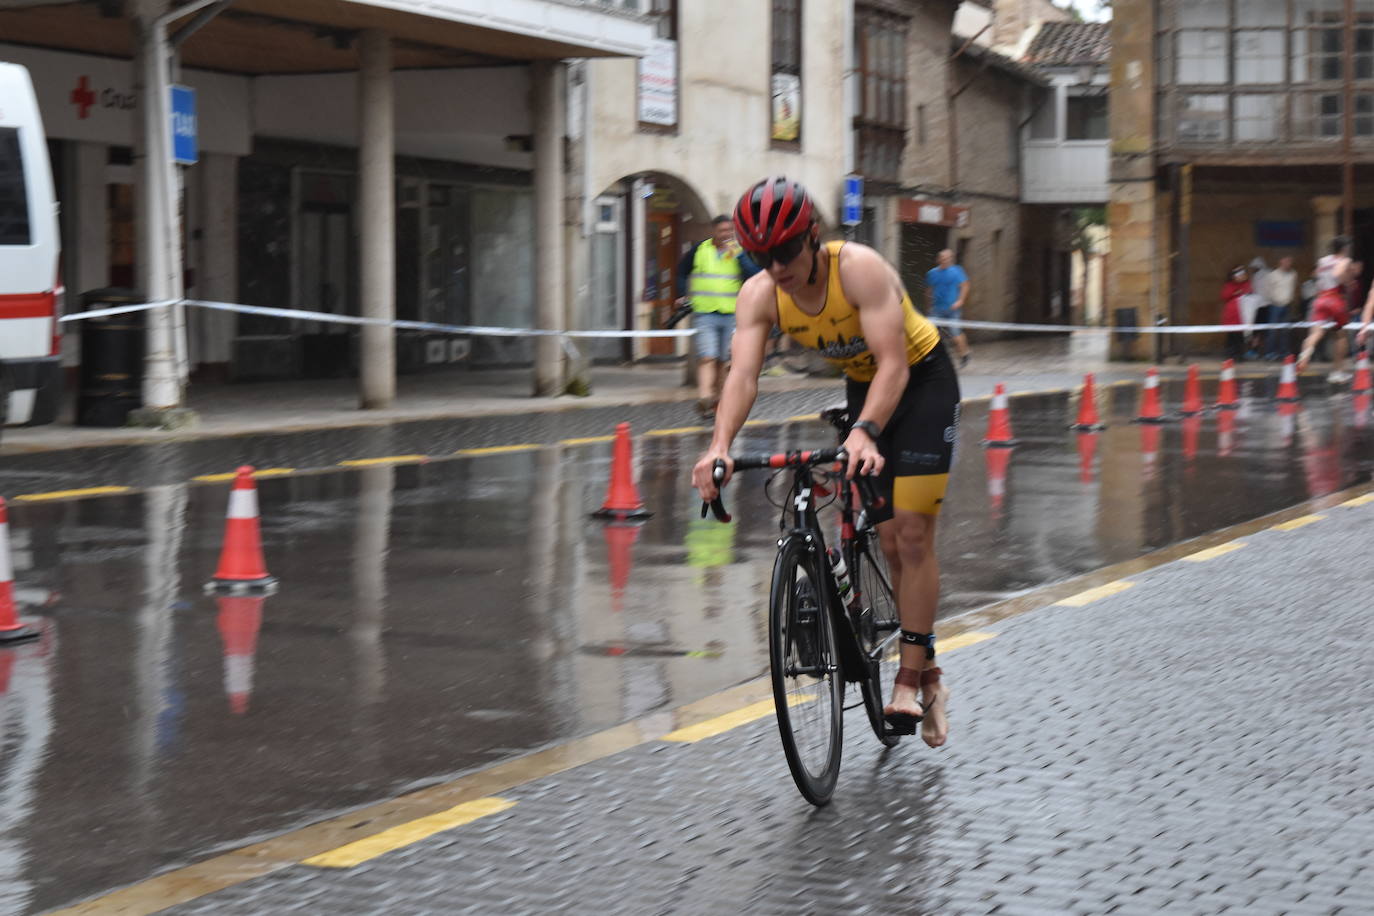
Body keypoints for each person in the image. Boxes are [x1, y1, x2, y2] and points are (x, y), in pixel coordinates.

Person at [691, 176, 960, 749]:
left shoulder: (857, 269)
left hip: (920, 380)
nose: (776, 265)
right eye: (762, 255)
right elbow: (742, 375)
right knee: (885, 542)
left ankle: (911, 681)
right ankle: (931, 670)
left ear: (812, 236)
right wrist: (718, 446)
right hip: (867, 386)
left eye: (785, 251)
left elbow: (895, 363)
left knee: (911, 536)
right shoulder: (761, 293)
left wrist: (865, 431)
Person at [675, 215, 760, 418]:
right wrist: (680, 294)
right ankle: (704, 397)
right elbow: (681, 271)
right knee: (707, 357)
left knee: (723, 360)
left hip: (731, 314)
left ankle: (718, 399)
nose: (726, 235)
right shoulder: (700, 250)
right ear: (713, 231)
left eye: (730, 231)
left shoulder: (740, 252)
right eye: (722, 230)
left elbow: (755, 275)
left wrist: (739, 256)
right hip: (705, 312)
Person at [1297, 236, 1355, 383]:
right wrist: (1348, 281)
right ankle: (1337, 372)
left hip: (1320, 299)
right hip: (1335, 299)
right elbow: (1338, 274)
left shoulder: (1323, 260)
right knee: (1340, 336)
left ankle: (1304, 356)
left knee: (1316, 333)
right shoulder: (1344, 260)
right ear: (1345, 248)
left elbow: (1315, 274)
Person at [925, 249, 971, 368]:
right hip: (936, 309)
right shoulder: (932, 273)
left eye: (948, 258)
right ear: (938, 259)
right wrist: (929, 306)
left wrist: (960, 301)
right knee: (930, 334)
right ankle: (932, 357)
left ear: (951, 259)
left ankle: (964, 354)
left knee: (955, 333)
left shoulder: (957, 271)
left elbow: (965, 286)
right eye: (943, 258)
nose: (945, 260)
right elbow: (929, 290)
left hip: (952, 309)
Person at [1261, 256, 1298, 360]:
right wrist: (1273, 299)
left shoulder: (1293, 274)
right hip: (1275, 305)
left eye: (1290, 261)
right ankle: (1270, 353)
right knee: (1272, 330)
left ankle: (1283, 352)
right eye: (1286, 261)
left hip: (1287, 305)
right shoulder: (1273, 275)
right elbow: (1267, 290)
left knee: (1285, 330)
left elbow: (1293, 287)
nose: (1288, 264)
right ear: (1280, 262)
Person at [1219, 265, 1252, 361]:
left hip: (1243, 315)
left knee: (1240, 337)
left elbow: (1249, 293)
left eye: (1242, 275)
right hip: (1232, 315)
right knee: (1231, 336)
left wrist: (1238, 293)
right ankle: (1230, 355)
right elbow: (1224, 296)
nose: (1241, 277)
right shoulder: (1229, 285)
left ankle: (1239, 355)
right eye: (1239, 276)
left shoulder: (1247, 284)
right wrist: (1236, 292)